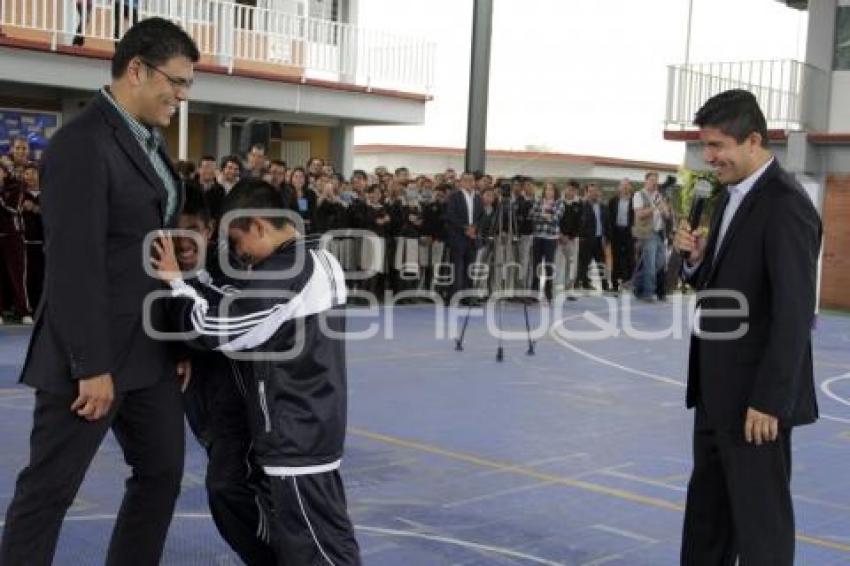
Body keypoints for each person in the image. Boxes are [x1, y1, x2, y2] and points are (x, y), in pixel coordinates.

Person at [0, 19, 199, 566]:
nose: (182, 96)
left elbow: (150, 246)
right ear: (137, 68)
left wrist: (177, 340)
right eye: (177, 82)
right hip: (88, 357)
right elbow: (72, 263)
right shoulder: (81, 145)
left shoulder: (151, 144)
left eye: (188, 85)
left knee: (161, 475)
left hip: (152, 351)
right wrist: (90, 363)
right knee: (49, 491)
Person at [152, 179, 361, 565]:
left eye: (237, 241)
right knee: (311, 543)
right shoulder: (319, 259)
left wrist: (175, 285)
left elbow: (218, 330)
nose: (238, 254)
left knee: (321, 551)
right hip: (307, 427)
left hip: (296, 436)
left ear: (259, 226)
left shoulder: (287, 273)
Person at [674, 89, 821, 566]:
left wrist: (769, 400)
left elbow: (794, 312)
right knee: (707, 521)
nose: (709, 158)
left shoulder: (785, 203)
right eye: (705, 147)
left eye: (717, 146)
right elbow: (726, 286)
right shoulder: (732, 197)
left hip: (755, 404)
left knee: (761, 528)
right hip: (716, 394)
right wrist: (697, 261)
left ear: (753, 139)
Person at [174, 186, 277, 564]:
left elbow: (226, 316)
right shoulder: (162, 276)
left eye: (192, 230)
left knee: (228, 488)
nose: (183, 241)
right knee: (229, 494)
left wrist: (177, 284)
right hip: (206, 415)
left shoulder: (230, 267)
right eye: (174, 230)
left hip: (243, 413)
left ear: (210, 229)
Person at [445, 171, 484, 301]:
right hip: (458, 237)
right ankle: (454, 297)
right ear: (461, 182)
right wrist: (465, 228)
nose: (469, 182)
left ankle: (468, 297)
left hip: (472, 238)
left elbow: (481, 216)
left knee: (469, 268)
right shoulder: (454, 196)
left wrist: (475, 228)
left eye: (471, 180)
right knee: (457, 268)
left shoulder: (478, 197)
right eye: (466, 180)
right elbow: (451, 215)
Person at [607, 179, 635, 292]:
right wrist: (608, 235)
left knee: (629, 258)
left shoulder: (635, 201)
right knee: (616, 258)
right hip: (616, 233)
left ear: (630, 188)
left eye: (627, 186)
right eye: (622, 186)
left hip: (629, 233)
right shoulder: (613, 201)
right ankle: (614, 284)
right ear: (619, 188)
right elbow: (608, 219)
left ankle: (627, 283)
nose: (624, 188)